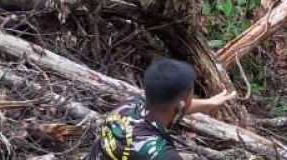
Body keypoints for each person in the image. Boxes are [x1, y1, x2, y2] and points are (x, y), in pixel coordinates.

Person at [85, 59, 237, 160]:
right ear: (180, 105)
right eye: (191, 95)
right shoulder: (162, 154)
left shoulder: (127, 106)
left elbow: (177, 106)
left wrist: (209, 103)